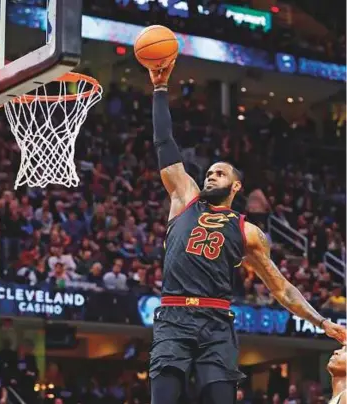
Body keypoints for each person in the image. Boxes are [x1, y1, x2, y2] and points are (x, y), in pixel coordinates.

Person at [147, 61, 347, 404]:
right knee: (163, 396)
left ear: (236, 186)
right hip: (173, 316)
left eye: (219, 174)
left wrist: (321, 321)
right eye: (209, 172)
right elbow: (165, 142)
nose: (211, 176)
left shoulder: (248, 231)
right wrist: (160, 89)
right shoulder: (184, 199)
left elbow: (281, 288)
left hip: (216, 320)